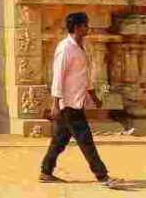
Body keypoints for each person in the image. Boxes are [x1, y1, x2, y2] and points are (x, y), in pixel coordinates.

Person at [40, 11, 124, 188]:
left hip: (76, 101)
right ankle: (102, 176)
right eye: (85, 25)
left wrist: (93, 95)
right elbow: (58, 76)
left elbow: (83, 76)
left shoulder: (79, 47)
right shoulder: (65, 48)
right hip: (68, 103)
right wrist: (55, 103)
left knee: (59, 140)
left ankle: (45, 171)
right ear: (77, 28)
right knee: (85, 140)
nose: (88, 28)